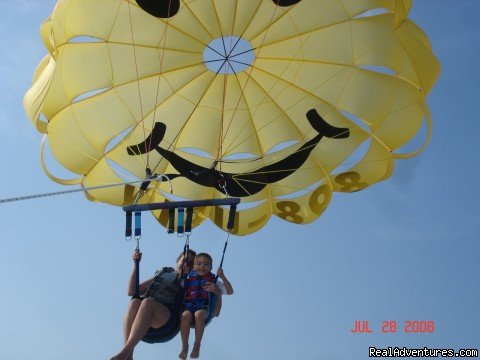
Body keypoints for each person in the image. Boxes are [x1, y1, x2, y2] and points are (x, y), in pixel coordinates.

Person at [111, 249, 196, 360]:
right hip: (142, 326)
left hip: (168, 325)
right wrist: (136, 263)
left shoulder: (192, 282)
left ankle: (124, 353)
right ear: (178, 260)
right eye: (184, 260)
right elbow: (132, 291)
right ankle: (129, 356)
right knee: (135, 301)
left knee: (147, 302)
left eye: (189, 263)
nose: (186, 264)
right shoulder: (165, 272)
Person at [179, 253, 234, 359]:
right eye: (199, 264)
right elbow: (179, 287)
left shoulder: (213, 281)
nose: (202, 267)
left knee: (199, 314)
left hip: (204, 308)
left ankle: (197, 345)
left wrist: (222, 276)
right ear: (194, 266)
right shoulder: (189, 278)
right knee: (185, 315)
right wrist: (184, 273)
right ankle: (185, 347)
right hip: (189, 306)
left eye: (206, 264)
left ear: (211, 268)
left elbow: (230, 291)